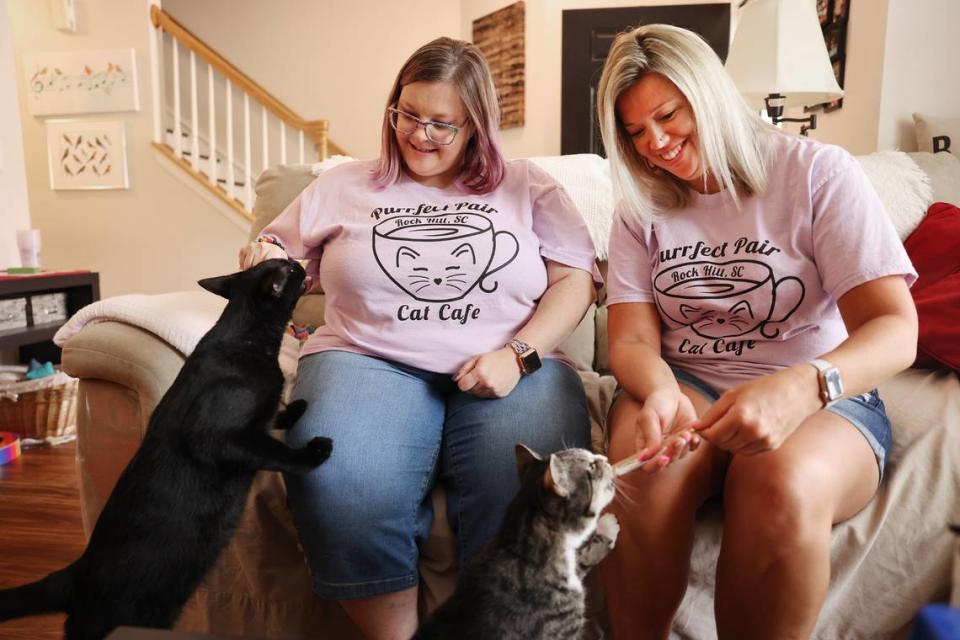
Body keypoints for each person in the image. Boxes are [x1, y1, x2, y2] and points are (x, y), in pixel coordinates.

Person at [239, 37, 600, 640]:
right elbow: (279, 253)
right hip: (365, 360)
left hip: (511, 363)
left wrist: (519, 354)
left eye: (442, 123)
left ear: (477, 127)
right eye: (408, 114)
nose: (419, 134)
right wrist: (265, 254)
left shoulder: (529, 186)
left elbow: (576, 281)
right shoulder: (341, 183)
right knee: (334, 476)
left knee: (529, 492)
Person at [595, 24, 918, 640]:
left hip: (823, 393)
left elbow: (895, 329)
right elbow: (633, 341)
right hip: (685, 382)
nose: (655, 144)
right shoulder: (640, 206)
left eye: (667, 115)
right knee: (643, 478)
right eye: (634, 132)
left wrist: (804, 387)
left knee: (776, 482)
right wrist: (660, 392)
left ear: (710, 94)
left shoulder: (816, 174)